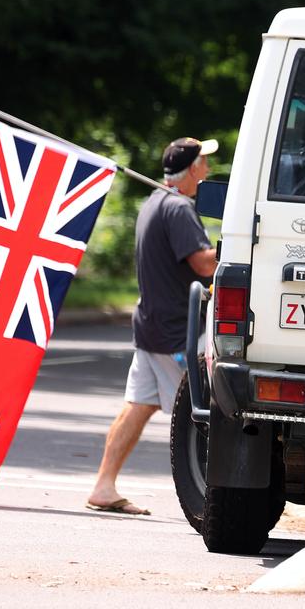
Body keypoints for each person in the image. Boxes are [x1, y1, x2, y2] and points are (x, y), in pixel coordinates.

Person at [86, 137, 219, 515]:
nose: (207, 171)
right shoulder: (178, 208)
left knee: (138, 405)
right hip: (177, 332)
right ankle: (217, 497)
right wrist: (235, 250)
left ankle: (103, 486)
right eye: (204, 164)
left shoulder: (154, 204)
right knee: (212, 407)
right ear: (192, 169)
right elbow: (203, 265)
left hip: (152, 326)